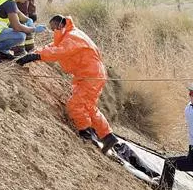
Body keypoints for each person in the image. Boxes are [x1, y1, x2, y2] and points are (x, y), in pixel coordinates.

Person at [15, 15, 119, 154]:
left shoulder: (72, 37)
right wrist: (36, 53)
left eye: (53, 29)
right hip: (91, 74)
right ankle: (107, 136)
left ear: (59, 26)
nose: (53, 32)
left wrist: (36, 56)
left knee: (75, 105)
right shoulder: (70, 34)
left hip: (91, 75)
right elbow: (54, 46)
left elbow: (58, 51)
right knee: (88, 106)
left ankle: (87, 136)